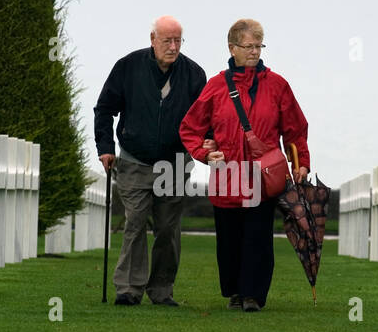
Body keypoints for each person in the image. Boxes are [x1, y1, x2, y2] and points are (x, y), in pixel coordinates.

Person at [179, 19, 309, 312]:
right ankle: (235, 292)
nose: (254, 52)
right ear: (232, 48)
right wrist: (203, 153)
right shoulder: (215, 86)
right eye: (248, 46)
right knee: (229, 239)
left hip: (263, 177)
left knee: (258, 236)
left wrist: (301, 162)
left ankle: (253, 295)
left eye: (258, 46)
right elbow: (189, 128)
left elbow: (295, 129)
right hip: (226, 175)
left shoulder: (277, 86)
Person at [94, 16, 207, 306]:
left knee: (168, 228)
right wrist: (105, 147)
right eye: (167, 40)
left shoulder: (194, 74)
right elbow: (105, 109)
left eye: (178, 40)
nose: (173, 46)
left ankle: (161, 290)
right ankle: (129, 289)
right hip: (134, 160)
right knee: (135, 221)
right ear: (152, 39)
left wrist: (209, 142)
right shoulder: (127, 67)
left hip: (175, 163)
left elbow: (203, 119)